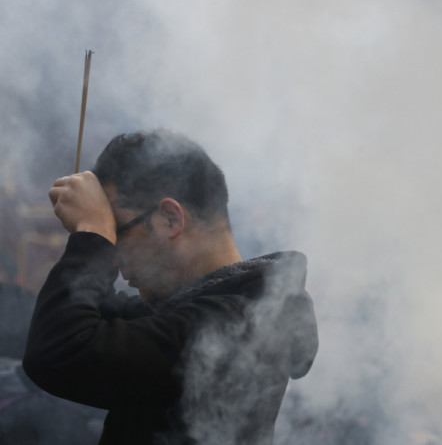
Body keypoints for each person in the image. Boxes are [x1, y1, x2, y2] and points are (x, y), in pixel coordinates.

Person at [23, 129, 319, 445]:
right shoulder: (204, 309)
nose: (115, 257)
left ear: (170, 219)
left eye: (117, 231)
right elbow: (88, 316)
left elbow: (60, 350)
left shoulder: (235, 323)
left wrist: (93, 236)